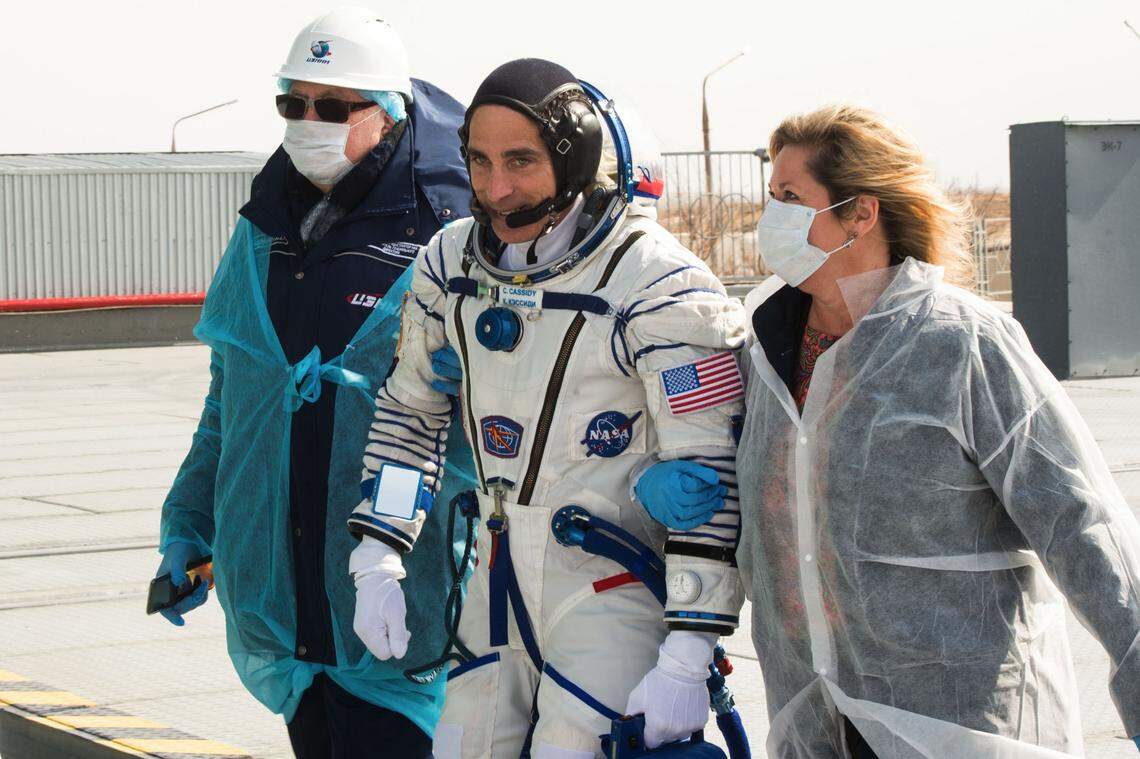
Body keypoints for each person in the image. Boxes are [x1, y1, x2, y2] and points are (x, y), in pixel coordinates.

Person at [346, 58, 747, 757]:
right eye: (479, 161)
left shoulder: (660, 284)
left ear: (576, 160)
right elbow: (412, 418)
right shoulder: (451, 264)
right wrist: (378, 551)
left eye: (521, 162)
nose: (497, 190)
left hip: (610, 586)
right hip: (495, 578)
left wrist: (688, 650)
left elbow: (708, 478)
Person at [726, 104, 1140, 758]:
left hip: (959, 723)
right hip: (815, 717)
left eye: (790, 197)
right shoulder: (764, 351)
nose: (769, 217)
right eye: (770, 197)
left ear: (860, 213)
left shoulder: (962, 343)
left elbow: (1080, 519)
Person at [154, 7, 474, 757]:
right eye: (292, 104)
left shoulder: (447, 233)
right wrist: (190, 525)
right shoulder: (264, 230)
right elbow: (230, 399)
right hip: (289, 607)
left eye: (333, 107)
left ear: (391, 115)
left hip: (406, 601)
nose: (308, 122)